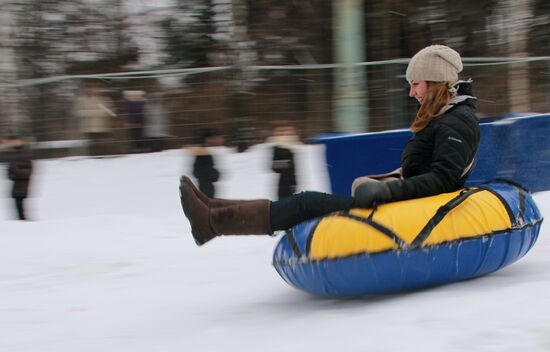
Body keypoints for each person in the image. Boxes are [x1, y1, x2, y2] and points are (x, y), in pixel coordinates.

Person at [179, 44, 480, 246]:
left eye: (416, 84)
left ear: (436, 81)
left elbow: (444, 179)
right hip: (408, 206)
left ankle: (213, 223)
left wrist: (390, 189)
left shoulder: (458, 121)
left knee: (307, 202)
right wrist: (390, 181)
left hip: (413, 212)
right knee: (310, 201)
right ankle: (213, 208)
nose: (412, 92)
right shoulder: (443, 118)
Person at [74, 81, 116, 156]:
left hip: (103, 127)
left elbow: (110, 112)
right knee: (92, 147)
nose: (93, 90)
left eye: (96, 88)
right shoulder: (81, 100)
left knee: (103, 146)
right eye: (89, 88)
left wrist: (89, 112)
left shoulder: (105, 99)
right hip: (88, 128)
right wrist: (97, 112)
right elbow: (78, 112)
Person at [266, 121, 301, 199]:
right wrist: (287, 164)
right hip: (282, 184)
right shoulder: (277, 148)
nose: (284, 133)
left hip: (290, 183)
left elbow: (293, 168)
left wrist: (294, 183)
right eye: (280, 131)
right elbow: (273, 167)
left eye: (287, 130)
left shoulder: (291, 147)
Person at [3, 135, 33, 220]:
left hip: (22, 184)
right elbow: (10, 170)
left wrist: (15, 171)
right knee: (18, 205)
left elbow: (27, 171)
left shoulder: (25, 154)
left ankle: (24, 223)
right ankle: (22, 222)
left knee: (20, 205)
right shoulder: (15, 154)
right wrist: (11, 174)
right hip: (16, 184)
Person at [191, 128, 224, 198]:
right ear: (207, 139)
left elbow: (196, 171)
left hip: (205, 190)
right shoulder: (204, 154)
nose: (219, 140)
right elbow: (205, 172)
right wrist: (216, 174)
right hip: (207, 192)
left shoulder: (201, 152)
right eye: (214, 138)